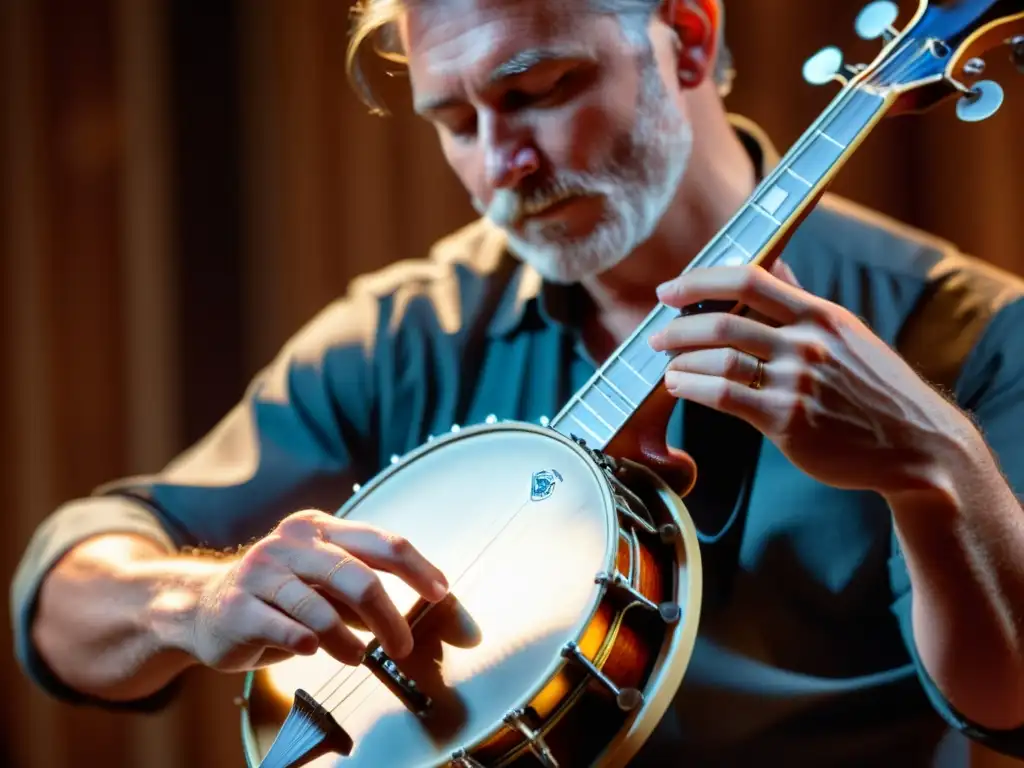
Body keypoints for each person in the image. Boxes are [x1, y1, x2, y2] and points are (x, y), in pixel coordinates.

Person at [10, 0, 1024, 764]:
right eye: (454, 121)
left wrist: (935, 466)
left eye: (537, 91)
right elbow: (60, 602)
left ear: (687, 36)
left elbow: (1009, 701)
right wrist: (198, 598)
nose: (503, 162)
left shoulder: (966, 331)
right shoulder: (409, 330)